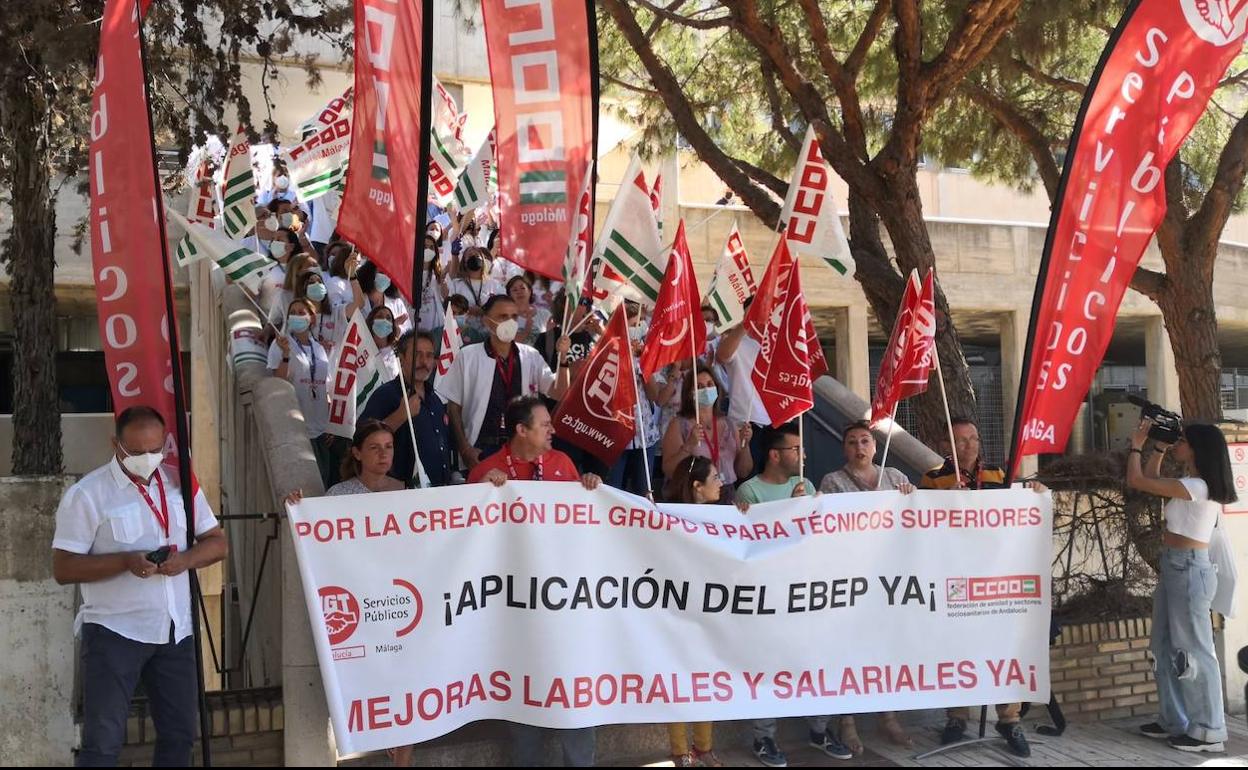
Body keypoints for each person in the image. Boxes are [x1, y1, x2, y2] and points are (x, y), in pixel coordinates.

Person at [52, 406, 227, 767]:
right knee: (103, 743)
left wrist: (186, 560)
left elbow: (217, 542)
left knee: (179, 738)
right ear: (116, 444)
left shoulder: (180, 485)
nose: (148, 459)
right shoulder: (88, 494)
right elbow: (64, 567)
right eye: (137, 451)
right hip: (115, 633)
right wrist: (125, 561)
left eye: (155, 450)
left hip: (176, 632)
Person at [466, 395, 600, 766]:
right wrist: (481, 496)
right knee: (523, 701)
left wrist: (590, 488)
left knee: (576, 694)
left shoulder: (563, 464)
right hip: (516, 612)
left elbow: (585, 528)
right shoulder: (486, 473)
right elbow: (467, 545)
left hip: (564, 606)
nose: (553, 430)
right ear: (521, 430)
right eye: (545, 424)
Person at [733, 425, 850, 767]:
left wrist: (803, 508)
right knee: (768, 665)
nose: (803, 455)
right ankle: (763, 736)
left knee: (814, 661)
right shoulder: (749, 491)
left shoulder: (807, 487)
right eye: (796, 449)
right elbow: (749, 543)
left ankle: (819, 730)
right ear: (774, 455)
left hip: (805, 591)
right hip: (768, 596)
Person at [920, 417, 1029, 757]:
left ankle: (1009, 720)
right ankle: (956, 718)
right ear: (944, 446)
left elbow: (1017, 516)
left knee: (1004, 647)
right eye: (960, 441)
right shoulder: (933, 479)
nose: (968, 446)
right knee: (958, 649)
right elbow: (920, 525)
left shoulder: (999, 474)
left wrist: (1033, 493)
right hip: (953, 576)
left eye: (973, 439)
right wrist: (944, 504)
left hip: (995, 577)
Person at [1128, 419, 1236, 753]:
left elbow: (1137, 480)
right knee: (1162, 646)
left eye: (1183, 441)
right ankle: (1173, 720)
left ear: (1198, 449)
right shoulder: (1190, 484)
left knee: (1195, 651)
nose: (1179, 444)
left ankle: (1209, 730)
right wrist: (1157, 447)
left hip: (1190, 569)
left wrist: (1137, 443)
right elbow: (1152, 480)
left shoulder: (1199, 486)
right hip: (1175, 567)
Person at [816, 421, 914, 753]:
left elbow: (915, 515)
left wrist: (909, 499)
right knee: (849, 650)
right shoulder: (833, 481)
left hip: (889, 578)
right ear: (844, 448)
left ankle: (888, 717)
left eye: (866, 441)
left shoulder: (896, 478)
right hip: (851, 579)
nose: (860, 447)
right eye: (853, 442)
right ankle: (847, 722)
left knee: (886, 648)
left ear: (874, 445)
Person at [440, 294, 572, 471]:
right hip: (481, 450)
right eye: (503, 317)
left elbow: (559, 392)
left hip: (522, 449)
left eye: (514, 317)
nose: (510, 322)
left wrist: (563, 357)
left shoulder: (530, 356)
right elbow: (453, 408)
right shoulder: (468, 356)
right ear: (487, 322)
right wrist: (465, 449)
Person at [662, 456, 725, 768]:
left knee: (705, 680)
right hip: (675, 612)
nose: (722, 481)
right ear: (697, 486)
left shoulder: (725, 517)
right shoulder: (665, 516)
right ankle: (679, 752)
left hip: (708, 612)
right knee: (678, 681)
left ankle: (704, 747)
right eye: (715, 477)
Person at [268, 298, 346, 488]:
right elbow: (277, 383)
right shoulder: (280, 344)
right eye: (292, 312)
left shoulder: (319, 348)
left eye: (301, 312)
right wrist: (286, 354)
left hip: (321, 428)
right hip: (299, 428)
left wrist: (331, 425)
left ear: (311, 318)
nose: (296, 315)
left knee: (326, 481)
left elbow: (325, 388)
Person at [362, 331, 454, 487]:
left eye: (429, 356)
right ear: (402, 358)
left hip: (439, 495)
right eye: (417, 355)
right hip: (402, 496)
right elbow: (363, 439)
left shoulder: (436, 399)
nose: (424, 362)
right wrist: (400, 415)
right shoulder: (385, 395)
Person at [659, 365, 752, 502]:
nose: (706, 389)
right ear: (690, 393)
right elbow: (669, 470)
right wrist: (689, 446)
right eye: (699, 386)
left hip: (725, 495)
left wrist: (745, 446)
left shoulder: (729, 424)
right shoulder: (679, 425)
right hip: (694, 497)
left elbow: (743, 471)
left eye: (709, 384)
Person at [507, 274, 551, 346]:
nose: (519, 292)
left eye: (522, 288)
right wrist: (527, 330)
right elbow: (509, 343)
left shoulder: (545, 314)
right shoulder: (507, 318)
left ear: (530, 291)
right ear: (509, 295)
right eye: (514, 290)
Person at [366, 305, 402, 382]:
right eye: (380, 316)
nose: (384, 320)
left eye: (388, 318)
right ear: (371, 322)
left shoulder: (398, 351)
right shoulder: (363, 351)